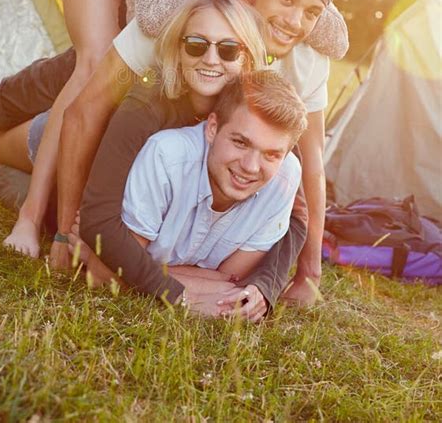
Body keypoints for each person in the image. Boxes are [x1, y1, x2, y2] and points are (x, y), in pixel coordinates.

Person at [0, 0, 343, 306]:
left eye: (310, 12)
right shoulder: (187, 20)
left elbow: (302, 174)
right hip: (92, 131)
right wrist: (66, 235)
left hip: (135, 165)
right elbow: (84, 114)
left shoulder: (286, 64)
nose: (294, 21)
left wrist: (305, 274)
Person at [73, 70, 307, 323]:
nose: (251, 166)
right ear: (213, 128)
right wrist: (186, 296)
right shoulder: (166, 156)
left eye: (271, 154)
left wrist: (134, 268)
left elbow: (227, 282)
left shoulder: (285, 176)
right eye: (240, 142)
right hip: (77, 158)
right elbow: (100, 275)